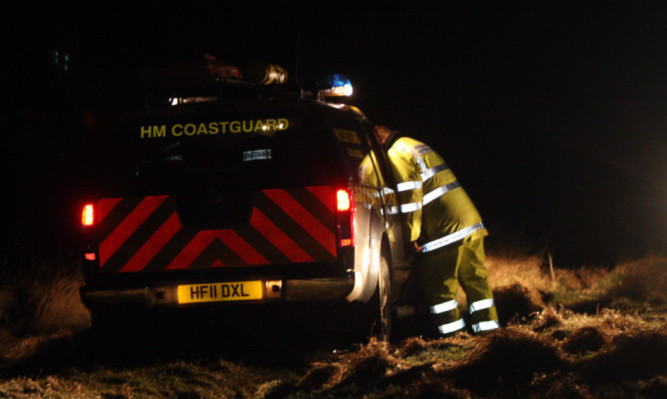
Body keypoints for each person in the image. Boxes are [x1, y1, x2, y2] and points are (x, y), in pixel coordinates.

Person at [374, 125, 499, 336]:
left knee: (439, 288)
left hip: (445, 231)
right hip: (469, 222)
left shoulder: (395, 154)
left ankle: (455, 339)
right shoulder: (414, 145)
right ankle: (490, 334)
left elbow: (410, 198)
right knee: (477, 282)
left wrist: (411, 238)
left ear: (379, 143)